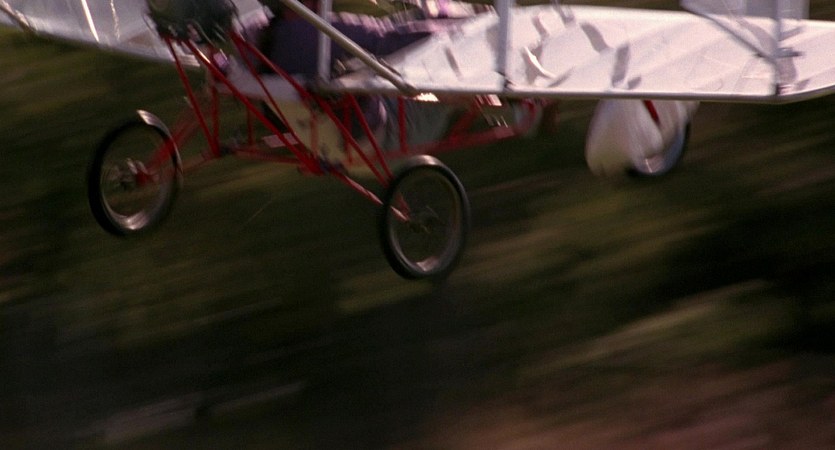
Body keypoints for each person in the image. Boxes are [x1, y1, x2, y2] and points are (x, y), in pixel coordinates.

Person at [254, 0, 457, 153]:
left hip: (325, 143)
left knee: (416, 20)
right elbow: (385, 39)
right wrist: (461, 30)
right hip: (385, 138)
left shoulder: (265, 38)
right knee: (451, 62)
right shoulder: (316, 32)